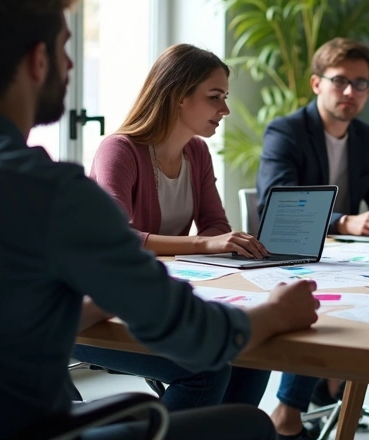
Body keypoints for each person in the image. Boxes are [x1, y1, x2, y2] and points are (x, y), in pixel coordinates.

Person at [0, 0, 320, 440]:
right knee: (248, 424)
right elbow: (192, 336)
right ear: (38, 59)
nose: (71, 64)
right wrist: (276, 313)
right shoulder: (54, 193)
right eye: (65, 46)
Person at [72, 44, 274, 412]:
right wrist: (203, 245)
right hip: (91, 313)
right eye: (215, 97)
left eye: (225, 98)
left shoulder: (196, 152)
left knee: (251, 347)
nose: (225, 110)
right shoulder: (119, 150)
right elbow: (116, 242)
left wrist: (213, 241)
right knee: (207, 369)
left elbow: (216, 224)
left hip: (151, 299)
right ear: (178, 97)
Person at [255, 37, 369, 439]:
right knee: (319, 296)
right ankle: (289, 411)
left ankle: (333, 386)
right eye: (340, 81)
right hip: (290, 254)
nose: (351, 93)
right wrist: (344, 222)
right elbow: (274, 205)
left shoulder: (367, 138)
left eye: (361, 84)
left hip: (349, 257)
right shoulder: (285, 132)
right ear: (316, 83)